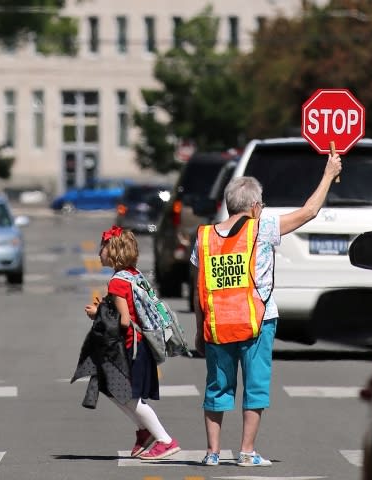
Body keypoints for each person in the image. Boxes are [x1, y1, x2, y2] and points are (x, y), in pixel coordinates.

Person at [191, 154, 342, 467]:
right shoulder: (263, 228)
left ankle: (212, 452)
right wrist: (328, 174)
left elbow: (199, 290)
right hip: (258, 321)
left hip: (218, 323)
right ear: (256, 207)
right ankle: (247, 451)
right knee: (255, 385)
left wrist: (199, 329)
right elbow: (310, 211)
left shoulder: (205, 238)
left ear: (228, 204)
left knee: (218, 387)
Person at [83, 225, 181, 460]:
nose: (99, 252)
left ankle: (164, 440)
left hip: (130, 347)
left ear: (113, 251)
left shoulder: (117, 282)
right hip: (141, 345)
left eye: (103, 247)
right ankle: (143, 430)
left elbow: (124, 321)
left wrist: (98, 314)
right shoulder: (133, 275)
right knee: (112, 389)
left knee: (127, 395)